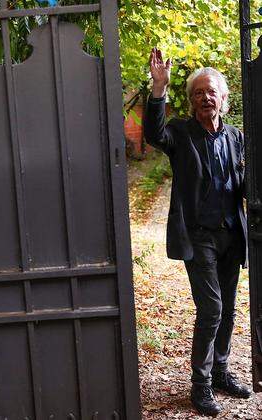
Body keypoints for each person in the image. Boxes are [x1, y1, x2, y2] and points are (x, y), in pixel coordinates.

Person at [144, 48, 251, 416]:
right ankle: (201, 385)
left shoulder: (235, 137)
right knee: (212, 309)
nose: (205, 98)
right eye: (197, 93)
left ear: (223, 98)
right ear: (191, 101)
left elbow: (243, 183)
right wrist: (159, 88)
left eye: (211, 92)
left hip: (231, 234)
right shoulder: (180, 134)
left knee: (230, 310)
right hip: (198, 235)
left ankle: (221, 372)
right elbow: (153, 133)